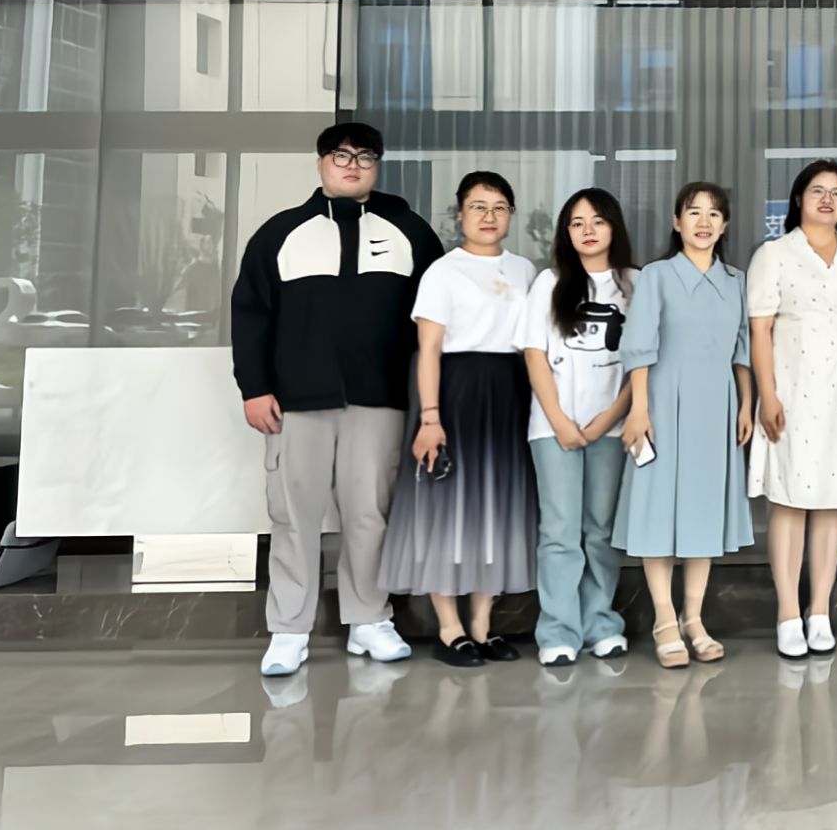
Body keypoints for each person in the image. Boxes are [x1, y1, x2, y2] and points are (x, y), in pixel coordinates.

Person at [233, 122, 444, 678]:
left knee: (370, 515)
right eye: (341, 155)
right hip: (295, 402)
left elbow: (435, 324)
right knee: (293, 517)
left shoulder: (411, 233)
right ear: (321, 162)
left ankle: (369, 619)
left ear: (378, 165)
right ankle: (288, 629)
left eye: (365, 156)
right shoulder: (280, 233)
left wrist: (428, 403)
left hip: (380, 400)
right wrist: (254, 387)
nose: (353, 165)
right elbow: (250, 315)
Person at [378, 171, 540, 668]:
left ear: (511, 215)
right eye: (477, 207)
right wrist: (430, 417)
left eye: (499, 207)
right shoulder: (443, 272)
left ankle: (483, 626)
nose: (489, 216)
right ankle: (450, 629)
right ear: (459, 214)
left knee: (496, 504)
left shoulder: (525, 270)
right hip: (454, 391)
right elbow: (428, 349)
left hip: (510, 392)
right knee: (446, 506)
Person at [613, 182, 757, 668]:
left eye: (714, 214)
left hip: (716, 407)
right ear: (677, 222)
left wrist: (746, 404)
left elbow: (742, 349)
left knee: (702, 515)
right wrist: (638, 409)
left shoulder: (736, 281)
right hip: (661, 403)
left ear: (725, 225)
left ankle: (694, 618)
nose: (704, 222)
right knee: (658, 512)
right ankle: (664, 620)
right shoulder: (657, 276)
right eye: (693, 212)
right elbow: (638, 346)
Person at [749, 160, 837, 660]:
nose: (828, 200)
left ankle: (820, 610)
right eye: (817, 191)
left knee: (831, 500)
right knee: (788, 499)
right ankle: (788, 612)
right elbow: (760, 329)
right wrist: (768, 394)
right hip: (790, 386)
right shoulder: (774, 254)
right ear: (798, 199)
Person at [519, 188, 636, 667]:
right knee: (560, 531)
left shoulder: (634, 284)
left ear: (614, 227)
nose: (588, 231)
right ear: (565, 233)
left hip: (613, 427)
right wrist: (560, 421)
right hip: (553, 430)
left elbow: (641, 364)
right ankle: (558, 631)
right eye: (577, 223)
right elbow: (535, 355)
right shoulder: (549, 282)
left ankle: (600, 624)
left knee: (600, 531)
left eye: (598, 221)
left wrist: (610, 417)